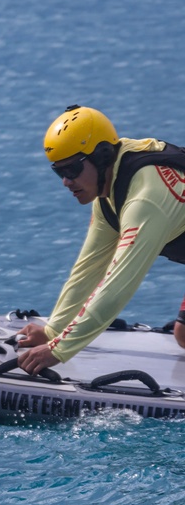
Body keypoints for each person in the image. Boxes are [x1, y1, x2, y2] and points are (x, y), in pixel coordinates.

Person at [17, 104, 185, 375]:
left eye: (71, 170)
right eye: (58, 172)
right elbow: (88, 269)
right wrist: (53, 330)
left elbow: (117, 286)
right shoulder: (111, 189)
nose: (65, 182)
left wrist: (60, 349)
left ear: (102, 156)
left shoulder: (145, 201)